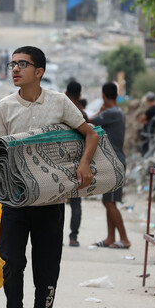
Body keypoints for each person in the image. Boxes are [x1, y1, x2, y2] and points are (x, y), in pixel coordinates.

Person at [0, 46, 99, 308]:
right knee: (11, 264)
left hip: (51, 202)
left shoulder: (59, 103)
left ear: (39, 71)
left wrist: (85, 164)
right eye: (12, 64)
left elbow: (89, 134)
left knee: (47, 272)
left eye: (22, 64)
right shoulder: (4, 108)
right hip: (15, 201)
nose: (15, 69)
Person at [89, 82, 130, 250]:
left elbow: (89, 121)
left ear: (104, 96)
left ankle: (125, 239)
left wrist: (101, 109)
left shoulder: (111, 113)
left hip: (115, 163)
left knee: (110, 203)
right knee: (108, 201)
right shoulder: (116, 112)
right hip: (112, 161)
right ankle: (110, 237)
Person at [64, 80, 88, 247]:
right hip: (79, 163)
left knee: (56, 203)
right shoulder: (83, 115)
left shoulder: (61, 113)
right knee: (76, 203)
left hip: (61, 162)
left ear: (66, 93)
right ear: (80, 96)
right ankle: (73, 237)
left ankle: (56, 236)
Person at [138, 92, 155, 156]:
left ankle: (144, 161)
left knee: (145, 149)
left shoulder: (151, 109)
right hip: (151, 130)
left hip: (147, 132)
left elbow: (141, 119)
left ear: (147, 99)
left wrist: (145, 121)